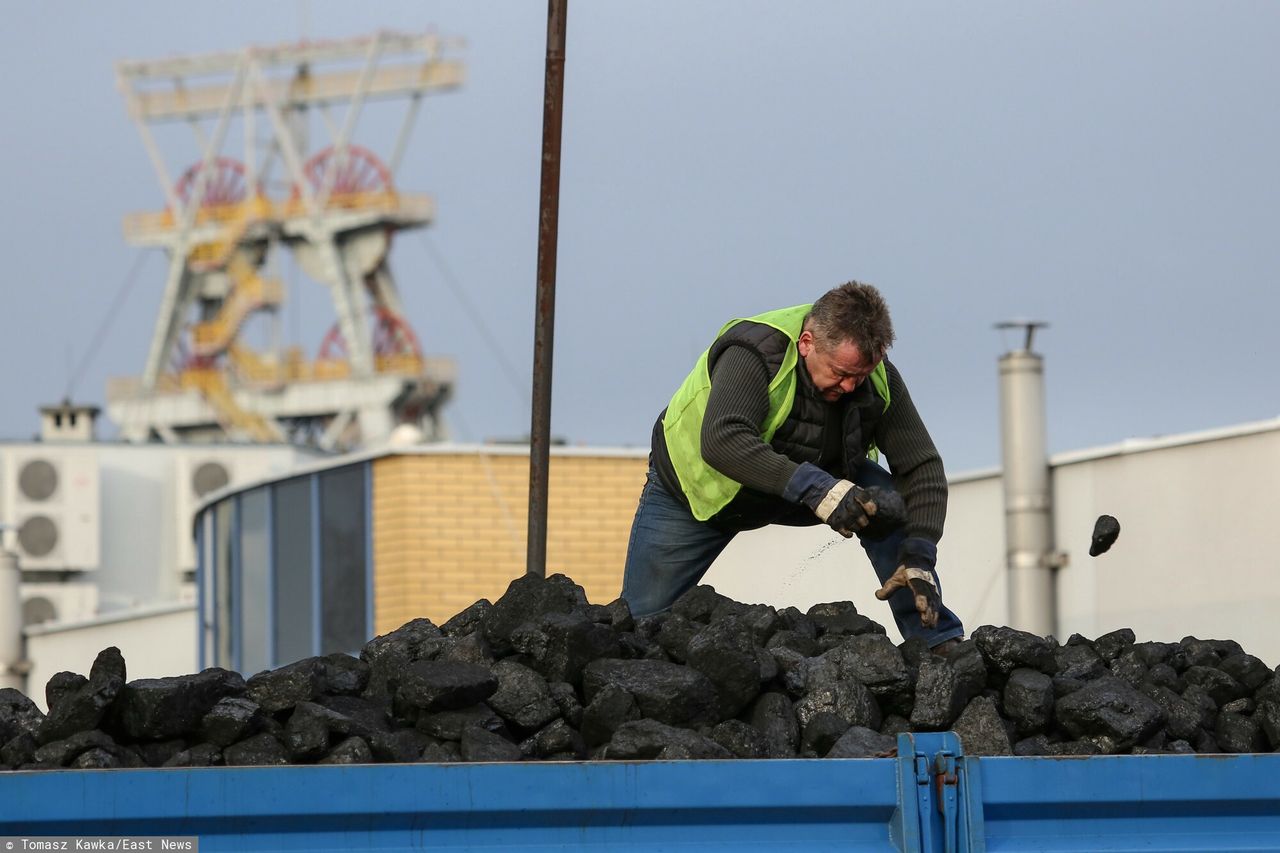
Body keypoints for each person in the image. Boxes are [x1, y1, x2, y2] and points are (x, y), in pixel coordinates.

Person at [620, 281, 964, 650]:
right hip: (698, 489)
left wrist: (921, 553)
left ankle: (937, 643)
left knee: (894, 509)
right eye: (840, 373)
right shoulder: (752, 352)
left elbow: (922, 468)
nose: (850, 387)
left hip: (811, 480)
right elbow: (723, 440)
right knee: (640, 627)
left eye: (859, 376)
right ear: (806, 343)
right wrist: (818, 488)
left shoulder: (877, 377)